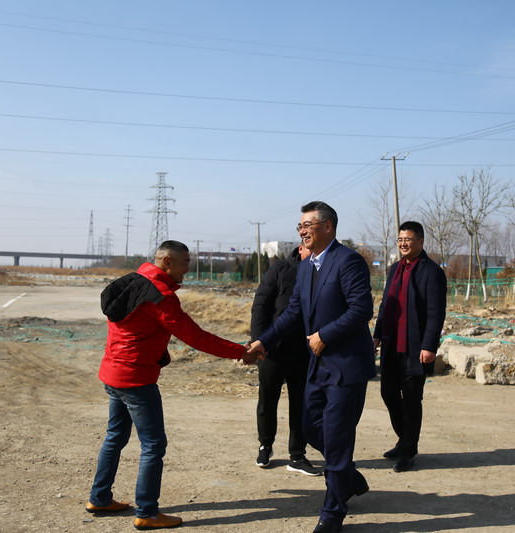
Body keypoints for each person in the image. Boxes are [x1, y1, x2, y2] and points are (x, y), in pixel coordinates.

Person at [87, 240, 256, 530]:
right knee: (153, 445)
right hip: (136, 379)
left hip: (113, 373)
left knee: (115, 436)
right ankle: (147, 512)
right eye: (185, 262)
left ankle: (99, 497)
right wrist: (240, 351)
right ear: (167, 262)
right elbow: (196, 337)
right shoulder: (160, 296)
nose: (188, 268)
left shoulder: (130, 282)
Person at [247, 201, 375, 533]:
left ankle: (332, 513)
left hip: (346, 366)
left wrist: (325, 335)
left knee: (337, 437)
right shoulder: (305, 268)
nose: (302, 232)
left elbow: (362, 308)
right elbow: (293, 312)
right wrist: (264, 340)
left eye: (307, 225)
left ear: (327, 227)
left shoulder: (348, 261)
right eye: (299, 227)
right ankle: (348, 478)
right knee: (309, 428)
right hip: (317, 365)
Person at [373, 221, 447, 473]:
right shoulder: (395, 269)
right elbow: (385, 305)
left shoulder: (431, 271)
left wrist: (429, 346)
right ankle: (404, 439)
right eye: (400, 240)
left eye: (408, 239)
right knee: (388, 393)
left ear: (420, 242)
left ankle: (408, 450)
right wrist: (377, 335)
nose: (403, 244)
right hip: (392, 345)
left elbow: (436, 313)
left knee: (412, 399)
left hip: (416, 348)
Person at [250, 243, 321, 476]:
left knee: (300, 403)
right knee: (267, 400)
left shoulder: (322, 272)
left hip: (303, 351)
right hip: (273, 348)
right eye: (311, 248)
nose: (315, 253)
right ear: (300, 248)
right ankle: (265, 445)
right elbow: (261, 305)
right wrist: (259, 341)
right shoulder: (280, 268)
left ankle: (297, 454)